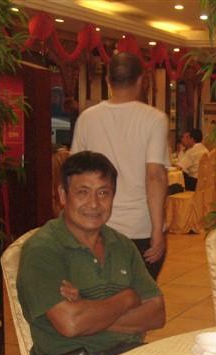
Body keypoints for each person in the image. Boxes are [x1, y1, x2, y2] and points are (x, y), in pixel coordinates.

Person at [17, 151, 166, 355]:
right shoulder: (43, 250)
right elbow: (71, 324)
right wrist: (127, 298)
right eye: (83, 192)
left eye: (103, 193)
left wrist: (88, 311)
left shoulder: (122, 244)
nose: (94, 204)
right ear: (63, 195)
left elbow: (157, 314)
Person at [71, 52, 169, 279]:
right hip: (139, 226)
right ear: (140, 80)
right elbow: (154, 176)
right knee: (139, 294)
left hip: (96, 223)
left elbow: (75, 176)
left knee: (99, 292)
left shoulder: (87, 118)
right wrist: (157, 229)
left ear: (108, 81)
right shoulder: (154, 119)